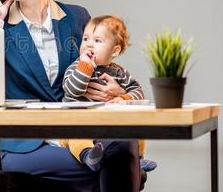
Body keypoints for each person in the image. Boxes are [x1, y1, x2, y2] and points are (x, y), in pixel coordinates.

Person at [0, 0, 141, 192]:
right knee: (118, 161)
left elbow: (100, 66)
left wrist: (117, 91)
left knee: (124, 144)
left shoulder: (77, 17)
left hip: (77, 132)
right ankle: (130, 166)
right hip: (25, 145)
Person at [59, 15, 157, 172]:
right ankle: (89, 157)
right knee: (76, 137)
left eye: (97, 41)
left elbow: (138, 93)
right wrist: (85, 66)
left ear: (115, 50)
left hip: (105, 126)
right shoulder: (76, 67)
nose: (89, 45)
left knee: (136, 125)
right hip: (75, 123)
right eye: (85, 39)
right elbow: (73, 89)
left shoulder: (119, 72)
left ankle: (136, 160)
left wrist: (123, 97)